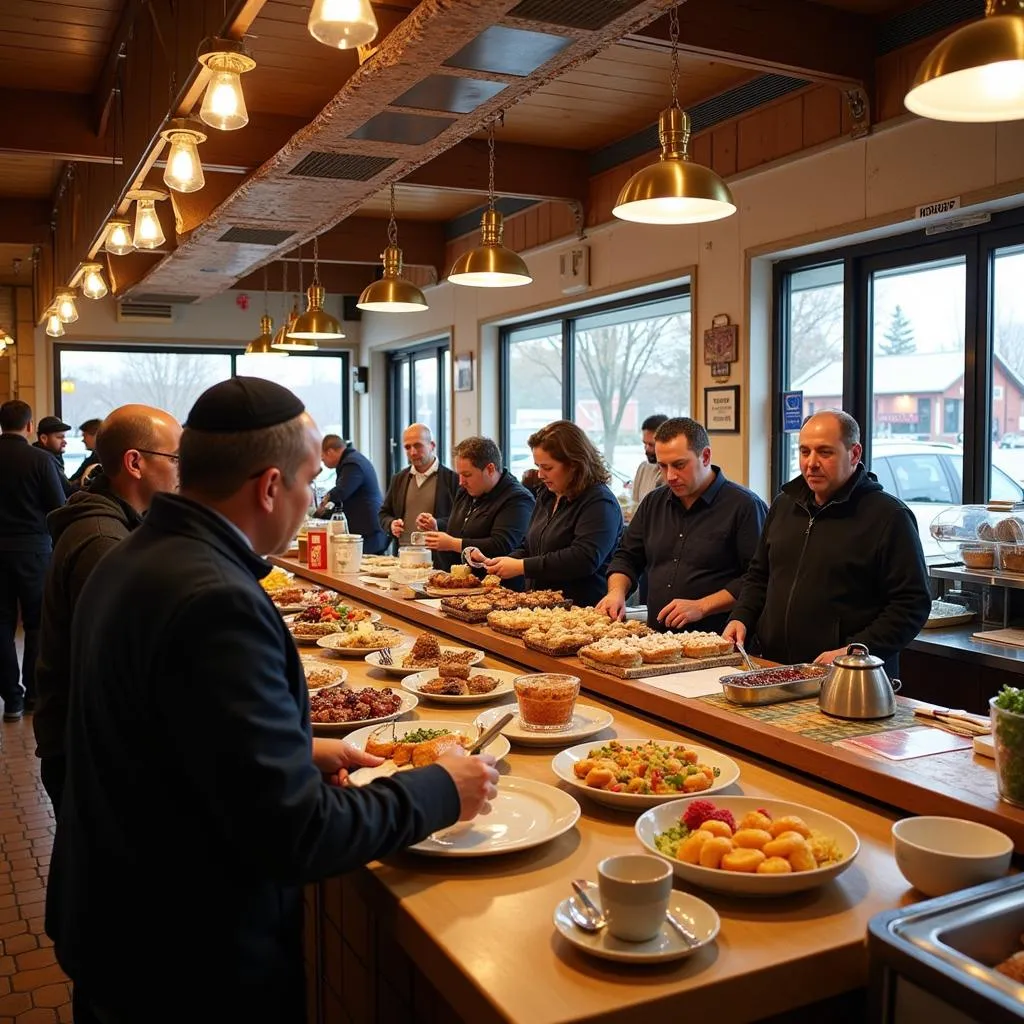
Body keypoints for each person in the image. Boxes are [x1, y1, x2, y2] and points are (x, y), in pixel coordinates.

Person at [47, 378, 498, 1024]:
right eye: (310, 480)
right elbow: (295, 833)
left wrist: (299, 749)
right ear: (267, 487)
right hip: (183, 960)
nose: (313, 497)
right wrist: (441, 790)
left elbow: (165, 736)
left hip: (118, 921)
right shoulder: (216, 600)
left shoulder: (138, 553)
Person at [33, 405, 183, 814]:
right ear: (134, 462)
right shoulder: (102, 540)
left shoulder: (117, 520)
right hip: (88, 750)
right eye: (176, 459)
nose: (182, 472)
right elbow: (116, 669)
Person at [723, 410, 931, 676]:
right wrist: (741, 616)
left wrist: (855, 650)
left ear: (854, 454)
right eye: (804, 451)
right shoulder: (784, 505)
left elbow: (911, 605)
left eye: (825, 452)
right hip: (774, 668)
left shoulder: (889, 517)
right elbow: (759, 575)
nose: (811, 463)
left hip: (850, 678)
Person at [598, 417, 767, 633]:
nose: (670, 476)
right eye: (662, 466)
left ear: (705, 456)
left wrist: (702, 606)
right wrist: (616, 592)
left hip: (718, 639)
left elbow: (758, 580)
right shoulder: (653, 502)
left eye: (679, 465)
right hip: (658, 638)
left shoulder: (745, 506)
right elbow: (627, 557)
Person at [484, 420, 623, 607]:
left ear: (574, 464)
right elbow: (531, 547)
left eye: (547, 468)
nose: (540, 474)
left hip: (581, 610)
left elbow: (583, 559)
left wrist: (521, 566)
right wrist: (504, 561)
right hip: (540, 605)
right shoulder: (547, 495)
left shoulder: (599, 502)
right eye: (538, 466)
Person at [0, 401, 66, 721]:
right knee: (38, 624)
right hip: (35, 551)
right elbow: (59, 507)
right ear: (29, 427)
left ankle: (11, 699)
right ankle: (34, 697)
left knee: (1, 625)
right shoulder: (41, 461)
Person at [418, 436, 535, 574]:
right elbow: (462, 526)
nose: (461, 482)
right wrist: (437, 525)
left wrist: (453, 544)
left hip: (496, 586)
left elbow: (502, 545)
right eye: (459, 474)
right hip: (457, 581)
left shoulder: (518, 499)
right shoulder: (466, 491)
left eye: (467, 475)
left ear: (490, 469)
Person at [378, 423, 458, 556]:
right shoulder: (399, 479)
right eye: (407, 447)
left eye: (418, 445)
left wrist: (437, 524)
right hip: (403, 556)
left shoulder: (452, 480)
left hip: (439, 558)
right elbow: (383, 514)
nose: (413, 452)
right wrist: (391, 524)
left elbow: (461, 520)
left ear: (432, 445)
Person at [314, 434, 387, 554]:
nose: (323, 462)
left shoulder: (352, 463)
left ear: (330, 452)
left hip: (369, 531)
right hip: (368, 528)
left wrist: (323, 506)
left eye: (322, 458)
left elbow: (341, 492)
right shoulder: (353, 459)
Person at [631, 413, 668, 509]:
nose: (646, 449)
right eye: (644, 443)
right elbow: (634, 505)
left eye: (651, 444)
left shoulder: (672, 474)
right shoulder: (643, 468)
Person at [34, 415, 74, 497]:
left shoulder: (55, 456)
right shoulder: (46, 460)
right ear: (44, 438)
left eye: (64, 437)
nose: (65, 442)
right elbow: (67, 491)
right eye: (59, 437)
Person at [68, 417, 103, 488]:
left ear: (96, 435)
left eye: (84, 436)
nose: (83, 440)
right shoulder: (94, 456)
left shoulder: (99, 459)